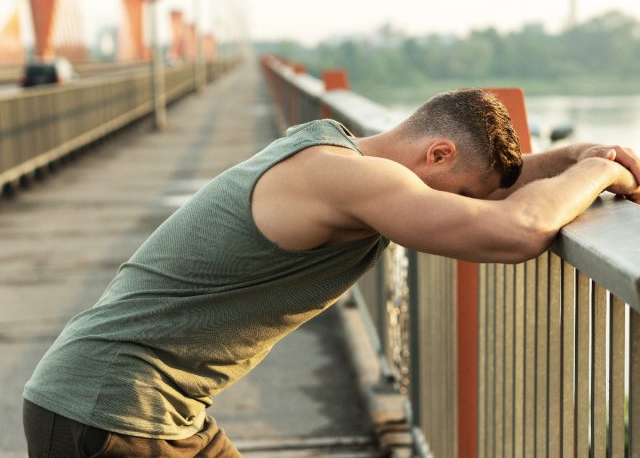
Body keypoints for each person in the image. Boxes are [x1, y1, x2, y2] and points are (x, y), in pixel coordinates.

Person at [23, 89, 640, 457]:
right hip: (113, 411)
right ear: (438, 153)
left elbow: (499, 190)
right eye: (463, 193)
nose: (465, 209)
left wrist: (577, 155)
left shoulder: (338, 155)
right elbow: (513, 232)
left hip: (141, 406)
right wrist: (605, 174)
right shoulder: (346, 177)